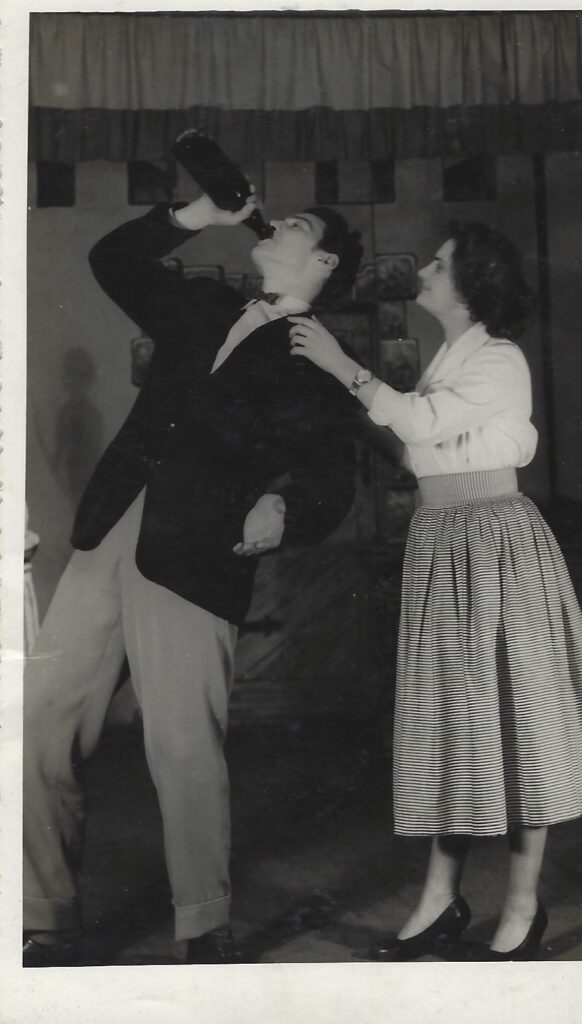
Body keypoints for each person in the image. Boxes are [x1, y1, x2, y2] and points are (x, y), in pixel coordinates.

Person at [23, 189, 363, 966]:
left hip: (194, 555)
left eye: (298, 226)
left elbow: (331, 482)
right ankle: (46, 915)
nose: (276, 224)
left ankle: (204, 926)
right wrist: (193, 217)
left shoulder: (318, 356)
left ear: (324, 261)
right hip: (111, 528)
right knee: (37, 720)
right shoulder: (203, 305)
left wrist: (284, 505)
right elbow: (113, 259)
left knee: (181, 745)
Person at [288, 220, 582, 961]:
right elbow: (418, 450)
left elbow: (422, 424)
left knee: (515, 721)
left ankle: (523, 907)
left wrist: (340, 365)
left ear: (474, 285)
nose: (423, 270)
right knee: (454, 724)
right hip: (444, 542)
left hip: (495, 546)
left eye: (440, 265)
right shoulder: (450, 358)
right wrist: (347, 408)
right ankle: (440, 899)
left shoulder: (500, 358)